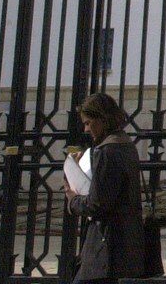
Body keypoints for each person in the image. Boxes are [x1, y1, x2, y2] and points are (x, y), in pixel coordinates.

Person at [65, 93, 148, 284]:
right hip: (122, 242)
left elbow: (97, 204)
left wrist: (72, 200)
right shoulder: (125, 144)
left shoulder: (107, 151)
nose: (85, 129)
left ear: (102, 119)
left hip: (105, 246)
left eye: (88, 123)